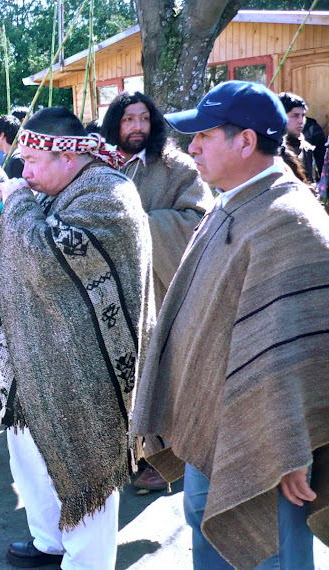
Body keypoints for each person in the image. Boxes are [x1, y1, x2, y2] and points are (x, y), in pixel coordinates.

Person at [132, 80, 329, 569]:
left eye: (204, 135)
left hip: (269, 444)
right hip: (217, 426)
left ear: (245, 142)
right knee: (209, 529)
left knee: (268, 547)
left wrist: (287, 441)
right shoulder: (233, 202)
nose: (191, 146)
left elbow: (304, 347)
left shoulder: (287, 219)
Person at [0, 106, 153, 568]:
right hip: (35, 360)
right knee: (30, 458)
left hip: (86, 370)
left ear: (67, 157)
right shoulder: (50, 189)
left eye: (32, 162)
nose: (24, 171)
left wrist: (17, 205)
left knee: (85, 471)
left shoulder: (109, 194)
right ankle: (49, 541)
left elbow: (50, 261)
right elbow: (6, 256)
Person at [101, 91, 213, 492]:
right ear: (115, 124)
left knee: (160, 371)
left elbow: (197, 220)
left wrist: (138, 225)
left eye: (143, 119)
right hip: (111, 292)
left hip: (160, 289)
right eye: (128, 119)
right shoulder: (101, 167)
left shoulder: (177, 168)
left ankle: (163, 458)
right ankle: (126, 453)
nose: (136, 127)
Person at [279, 92, 320, 184]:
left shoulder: (306, 148)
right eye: (295, 116)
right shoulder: (272, 151)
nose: (301, 121)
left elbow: (313, 180)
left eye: (303, 116)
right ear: (280, 117)